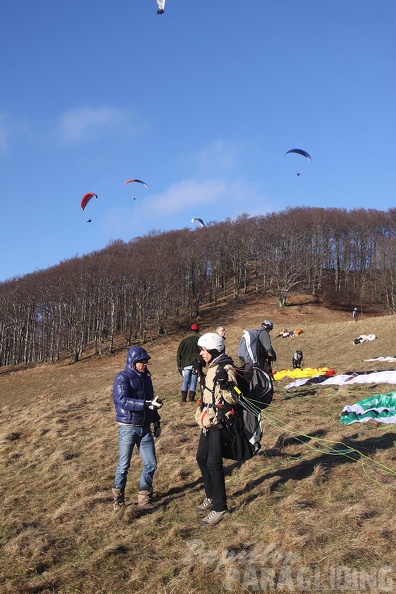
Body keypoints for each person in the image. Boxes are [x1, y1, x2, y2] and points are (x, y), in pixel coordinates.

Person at [194, 332, 239, 526]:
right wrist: (200, 376)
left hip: (220, 422)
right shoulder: (212, 367)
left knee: (214, 463)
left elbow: (235, 398)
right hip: (208, 421)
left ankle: (220, 508)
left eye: (203, 350)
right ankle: (211, 495)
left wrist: (225, 384)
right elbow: (208, 394)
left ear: (213, 350)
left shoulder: (226, 368)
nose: (201, 354)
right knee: (201, 458)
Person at [112, 346, 163, 511]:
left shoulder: (147, 378)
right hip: (127, 427)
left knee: (151, 464)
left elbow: (151, 402)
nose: (145, 365)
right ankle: (118, 501)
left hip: (145, 427)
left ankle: (144, 498)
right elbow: (123, 401)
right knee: (124, 465)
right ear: (132, 362)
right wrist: (146, 404)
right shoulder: (122, 378)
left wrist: (156, 421)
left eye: (146, 362)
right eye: (141, 362)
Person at [176, 324, 201, 403]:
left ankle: (183, 398)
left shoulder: (184, 340)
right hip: (195, 362)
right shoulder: (199, 338)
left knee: (186, 379)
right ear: (198, 330)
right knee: (194, 379)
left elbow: (179, 353)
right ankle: (191, 398)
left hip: (185, 363)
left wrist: (179, 365)